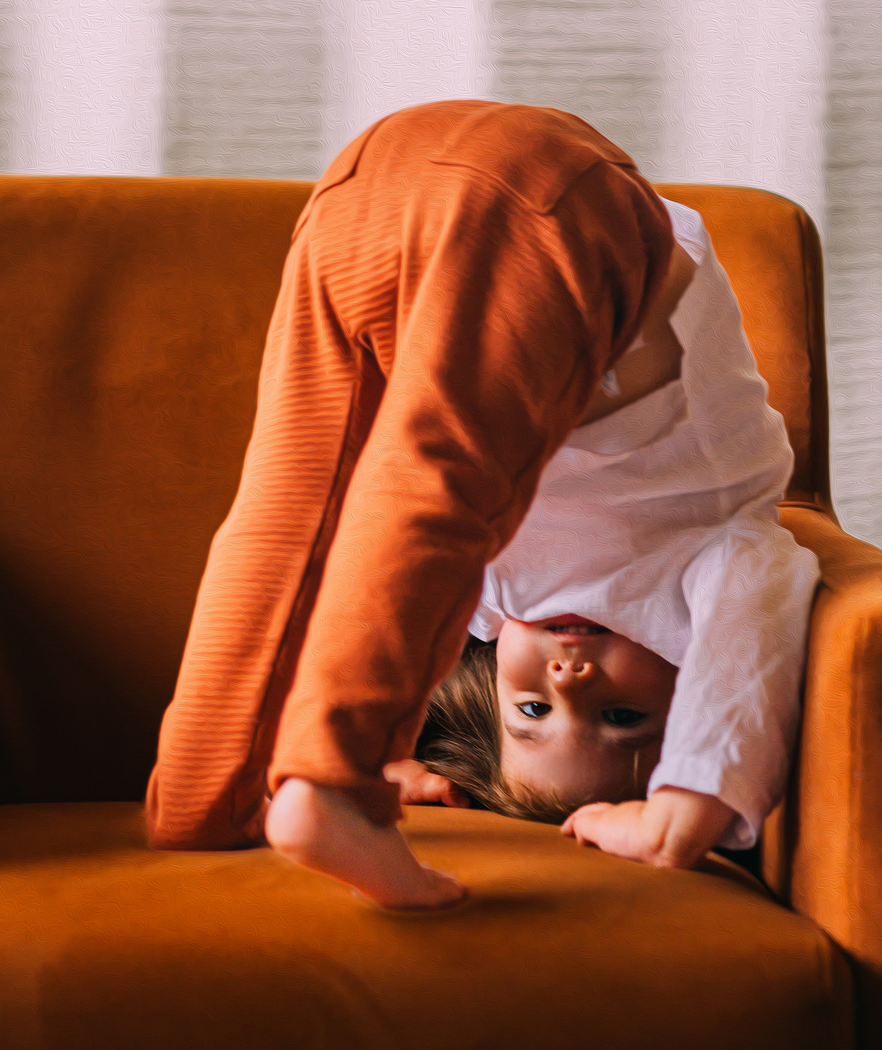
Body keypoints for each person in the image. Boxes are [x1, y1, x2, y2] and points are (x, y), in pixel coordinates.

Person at [144, 100, 819, 909]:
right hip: (560, 204)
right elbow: (745, 669)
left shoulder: (493, 602)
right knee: (431, 484)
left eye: (533, 708)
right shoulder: (715, 564)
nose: (570, 677)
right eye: (622, 715)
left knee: (289, 514)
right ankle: (329, 782)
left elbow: (376, 600)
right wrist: (680, 812)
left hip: (369, 189)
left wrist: (403, 760)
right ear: (686, 680)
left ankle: (199, 791)